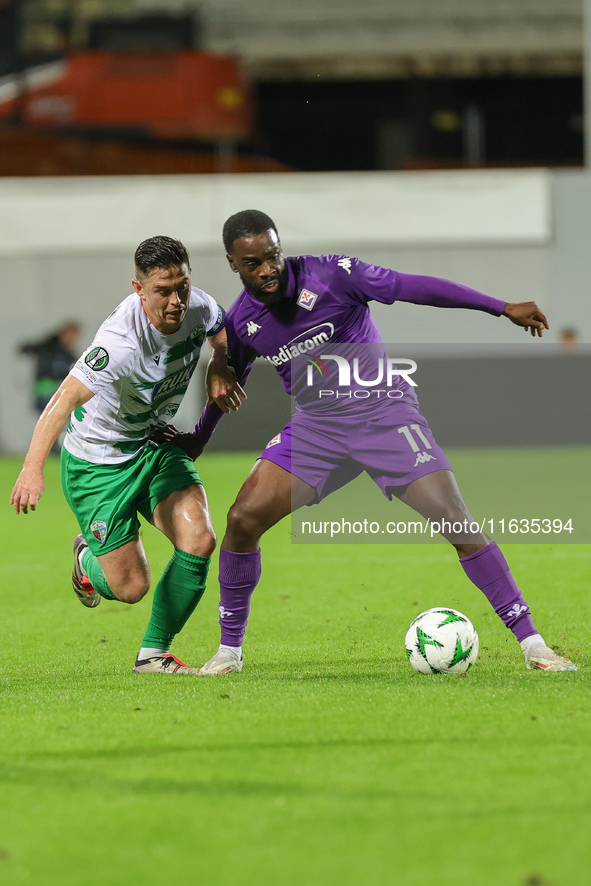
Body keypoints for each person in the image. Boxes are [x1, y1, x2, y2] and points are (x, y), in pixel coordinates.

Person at [167, 210, 577, 675]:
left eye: (273, 256)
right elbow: (226, 386)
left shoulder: (332, 274)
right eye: (253, 262)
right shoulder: (243, 320)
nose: (267, 269)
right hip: (317, 429)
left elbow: (413, 287)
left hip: (384, 414)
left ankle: (533, 645)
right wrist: (197, 440)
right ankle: (229, 653)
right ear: (232, 264)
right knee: (242, 519)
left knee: (455, 521)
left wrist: (499, 306)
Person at [11, 235, 245, 675]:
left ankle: (152, 655)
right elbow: (61, 401)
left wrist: (219, 362)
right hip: (97, 464)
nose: (176, 300)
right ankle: (86, 559)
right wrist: (31, 471)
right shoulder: (118, 344)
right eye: (163, 290)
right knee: (131, 587)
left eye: (183, 286)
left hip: (152, 444)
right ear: (139, 290)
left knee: (200, 539)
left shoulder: (198, 306)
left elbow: (221, 332)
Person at [19, 321, 81, 453]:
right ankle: (53, 450)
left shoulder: (65, 352)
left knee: (57, 422)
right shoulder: (50, 348)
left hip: (55, 391)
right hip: (47, 392)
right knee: (53, 422)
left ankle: (55, 449)